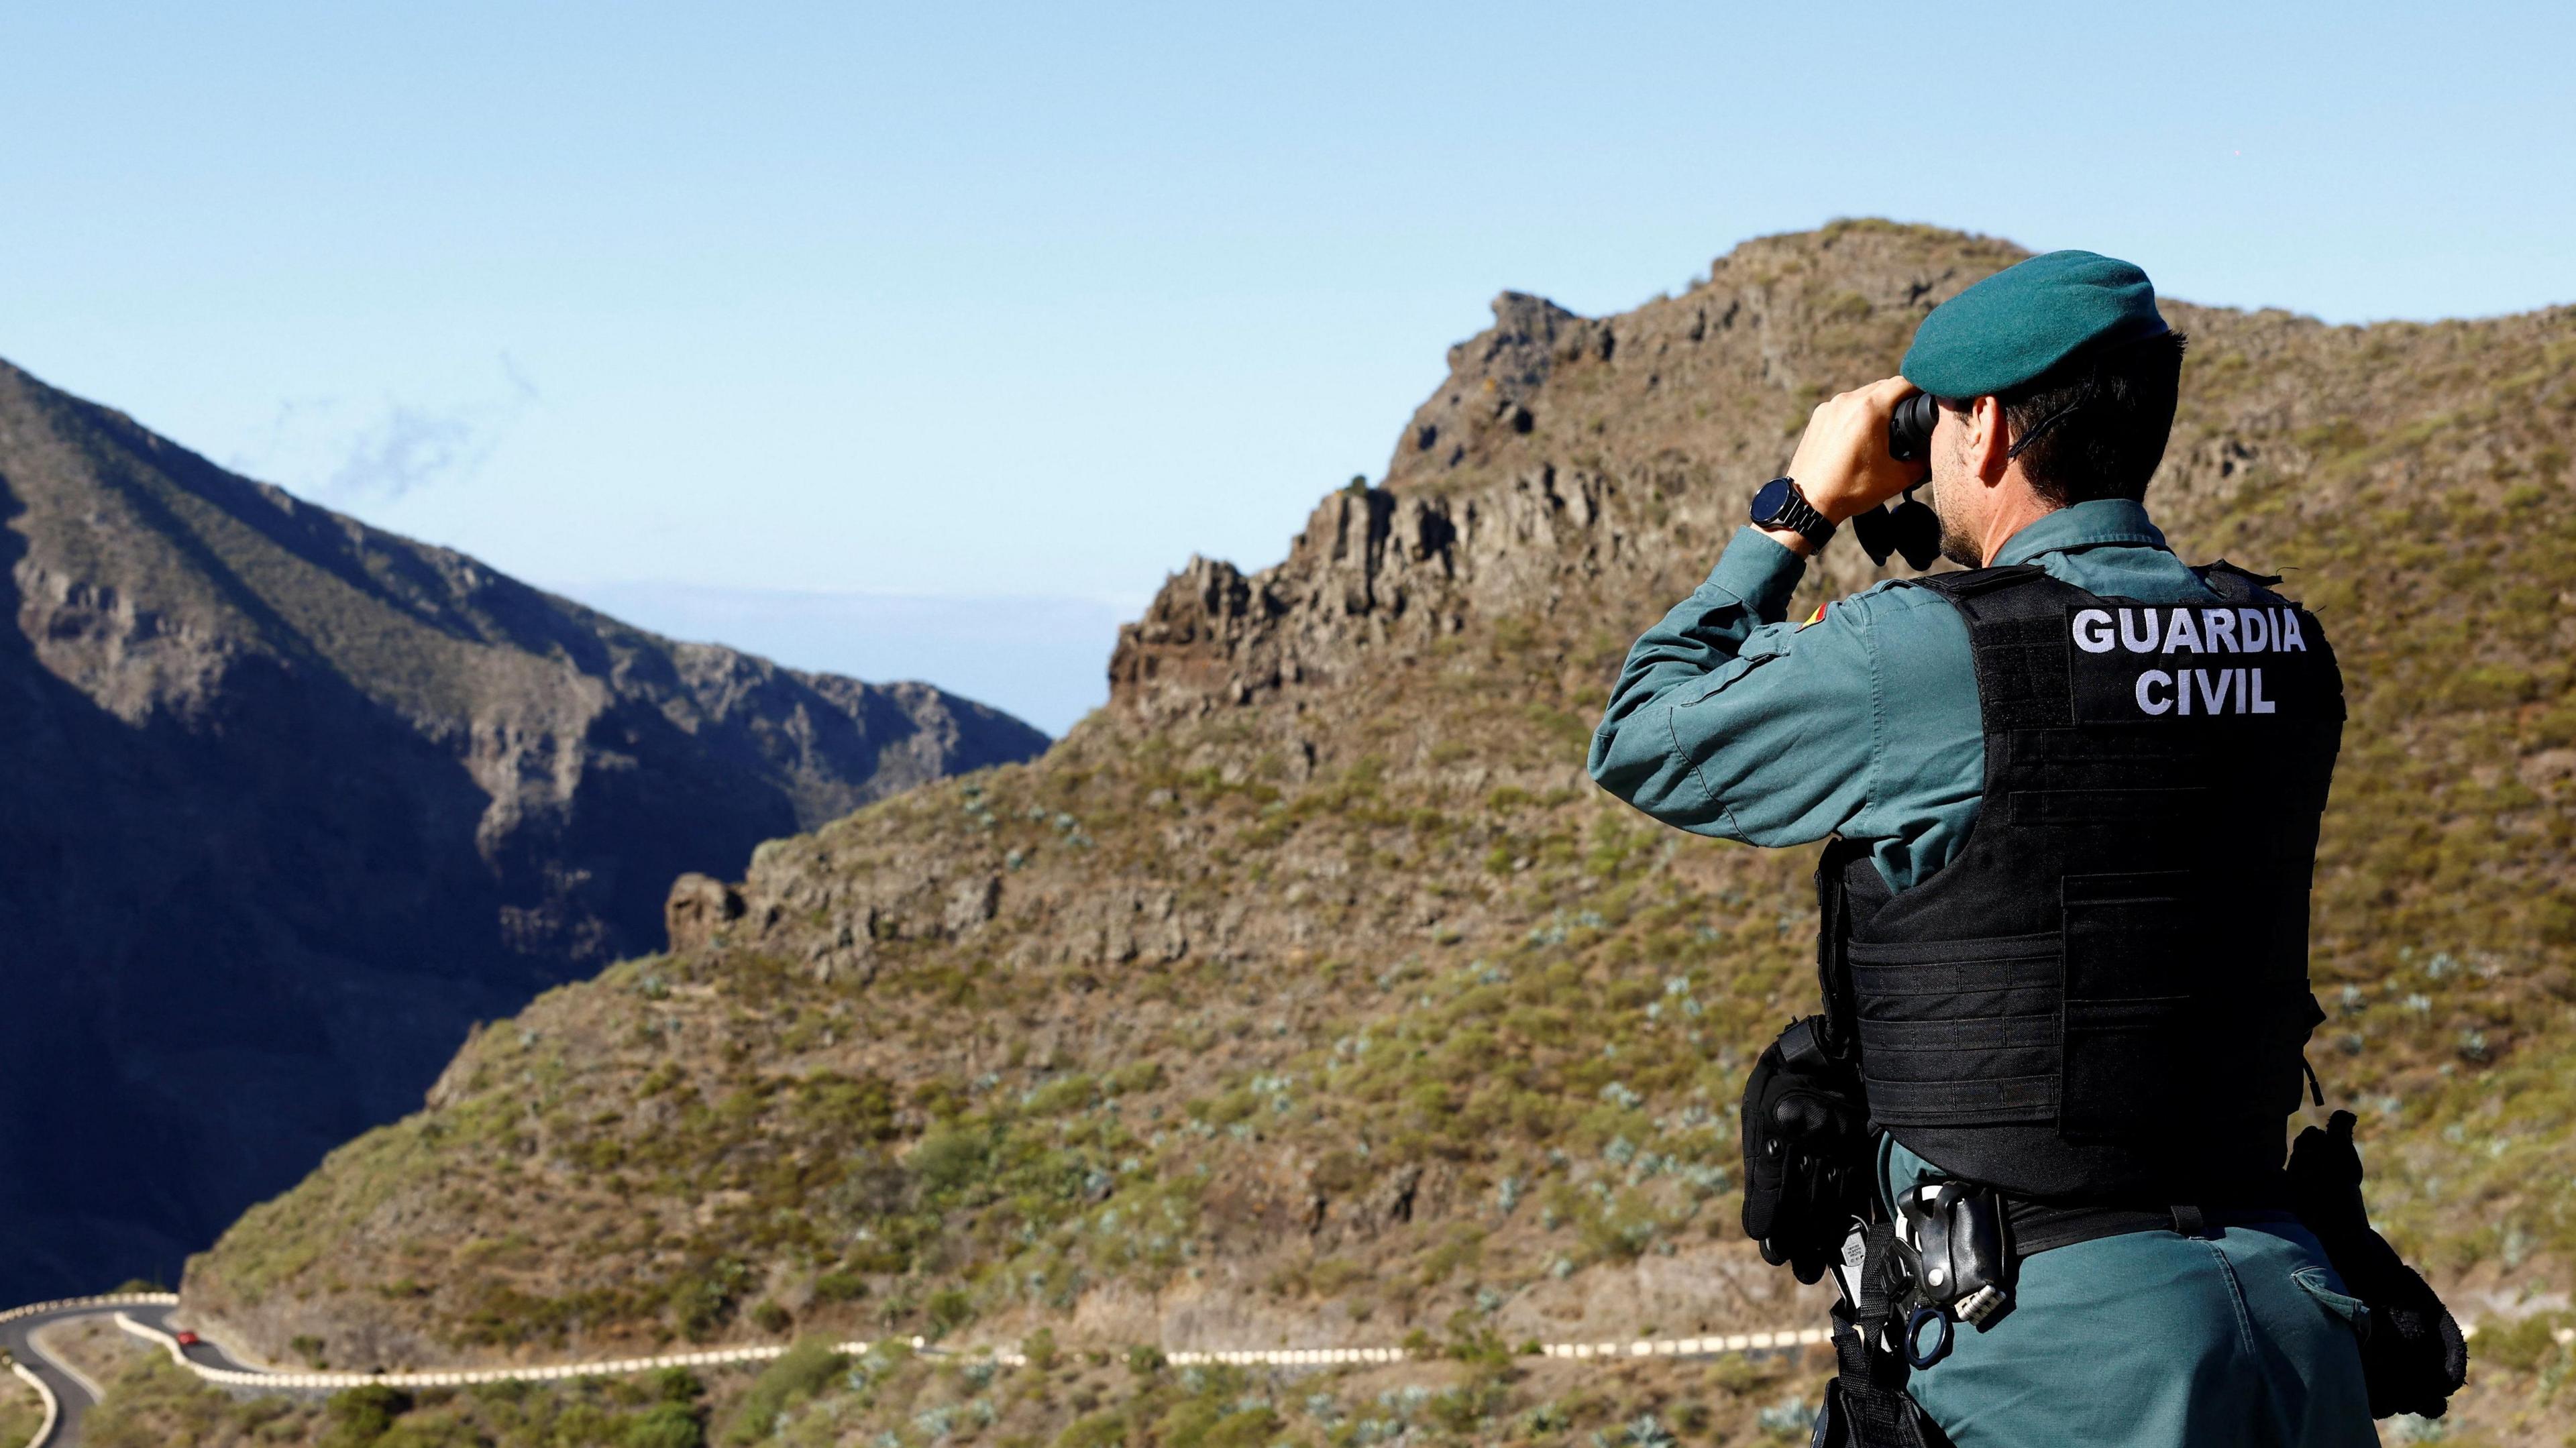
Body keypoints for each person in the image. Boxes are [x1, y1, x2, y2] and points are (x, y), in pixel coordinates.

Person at [1587, 252, 2382, 1447]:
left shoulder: (1925, 656)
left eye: (1945, 420)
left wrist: (1794, 512)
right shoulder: (2285, 647)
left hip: (2048, 1365)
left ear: (1992, 426)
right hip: (2291, 1319)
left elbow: (1643, 735)